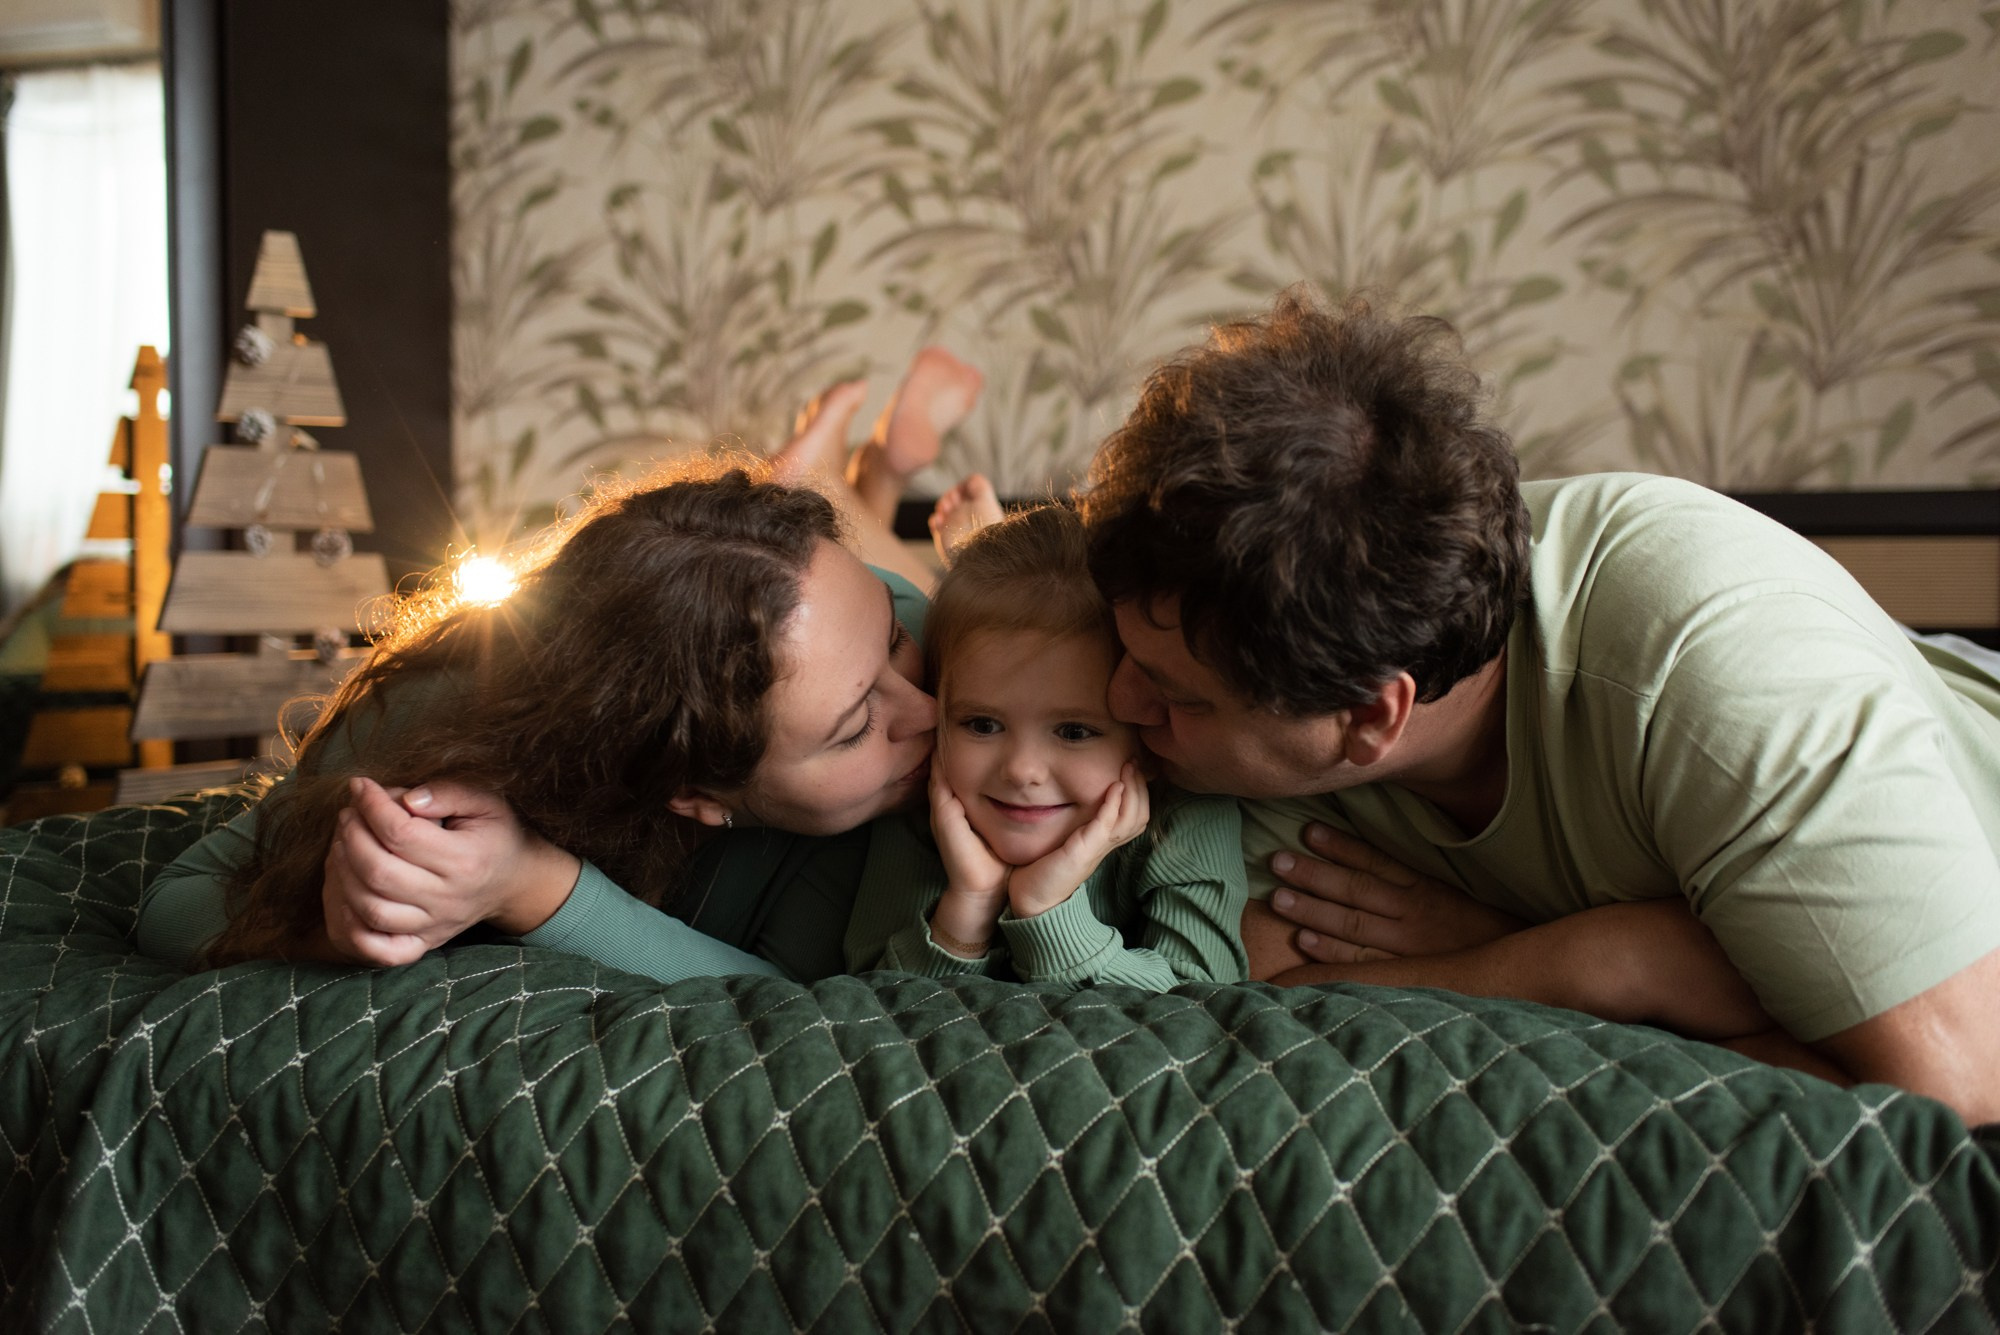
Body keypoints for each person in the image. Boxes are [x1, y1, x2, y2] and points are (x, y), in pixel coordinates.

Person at [1077, 287, 2000, 1122]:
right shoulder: (1245, 643)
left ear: (1368, 719)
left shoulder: (1718, 681)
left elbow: (1949, 1092)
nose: (1120, 700)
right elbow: (1269, 995)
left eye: (1172, 697)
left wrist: (1547, 964)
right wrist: (1571, 961)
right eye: (1129, 658)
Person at [135, 344, 993, 980]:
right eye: (854, 729)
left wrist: (533, 886)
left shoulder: (925, 661)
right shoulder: (441, 714)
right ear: (693, 795)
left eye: (889, 644)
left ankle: (869, 476)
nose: (927, 710)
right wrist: (334, 914)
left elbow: (797, 1003)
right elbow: (175, 907)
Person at [842, 504, 1249, 988]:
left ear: (1146, 738)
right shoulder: (927, 809)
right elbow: (868, 1006)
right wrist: (967, 908)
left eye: (1074, 732)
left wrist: (1048, 910)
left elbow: (1203, 1007)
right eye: (982, 724)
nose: (1021, 770)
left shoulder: (1189, 816)